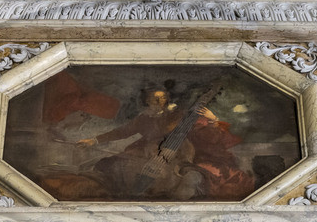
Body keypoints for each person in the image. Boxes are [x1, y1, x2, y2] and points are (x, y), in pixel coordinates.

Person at [67, 81, 252, 201]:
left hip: (179, 156)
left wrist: (213, 119)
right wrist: (95, 140)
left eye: (163, 98)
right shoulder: (144, 118)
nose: (160, 102)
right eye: (155, 99)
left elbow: (204, 132)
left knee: (193, 177)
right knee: (114, 164)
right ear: (147, 101)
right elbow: (123, 131)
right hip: (147, 153)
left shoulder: (178, 115)